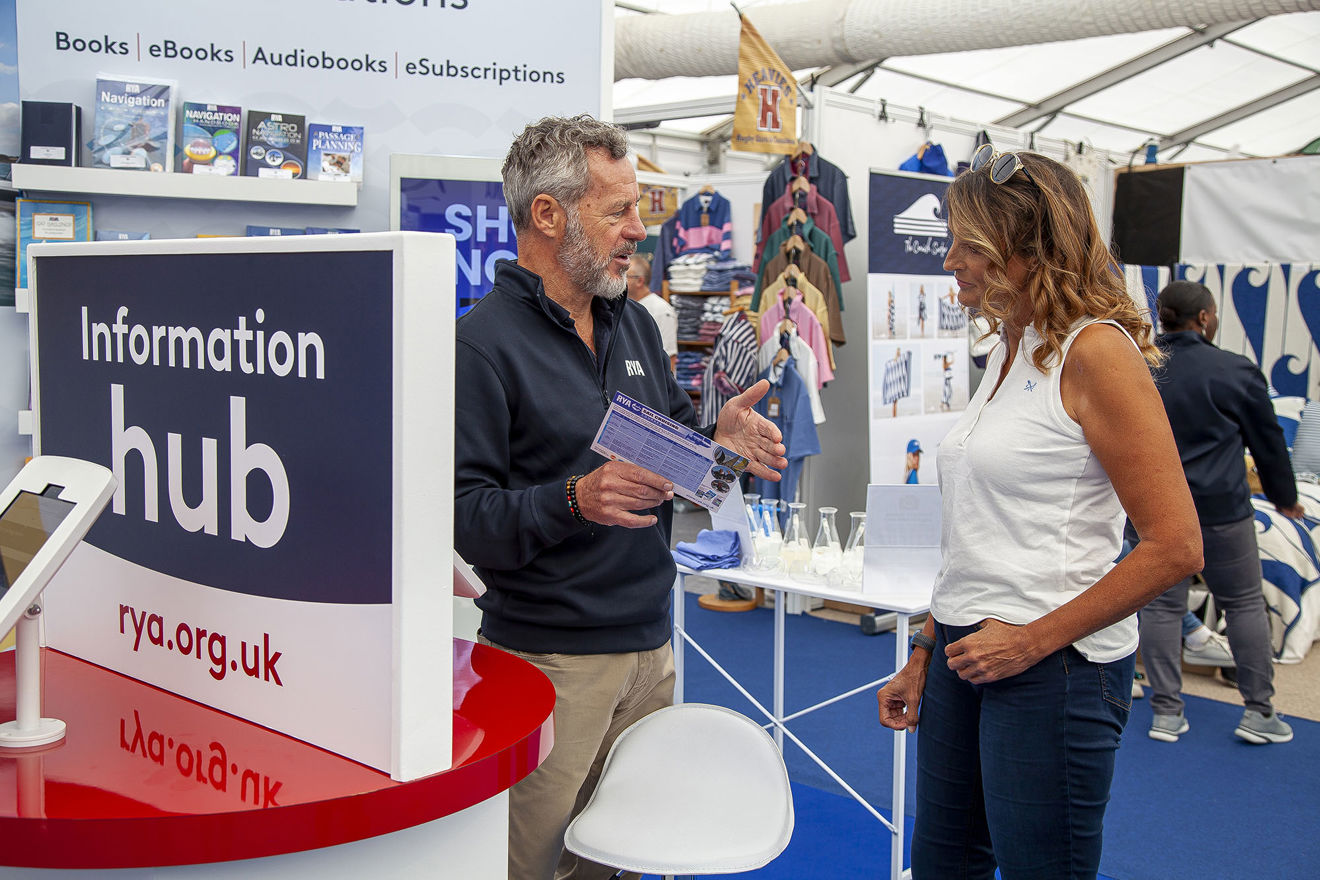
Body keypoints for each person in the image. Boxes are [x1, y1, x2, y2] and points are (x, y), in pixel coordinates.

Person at [453, 114, 787, 880]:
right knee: (536, 864)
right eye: (619, 211)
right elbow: (465, 519)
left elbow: (668, 457)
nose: (641, 229)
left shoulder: (634, 324)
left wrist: (718, 448)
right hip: (550, 664)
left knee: (630, 860)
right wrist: (574, 499)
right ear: (549, 214)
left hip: (652, 651)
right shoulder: (482, 345)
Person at [876, 146, 1203, 880]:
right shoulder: (1012, 345)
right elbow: (981, 535)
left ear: (1025, 247)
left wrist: (1031, 642)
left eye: (968, 243)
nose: (950, 259)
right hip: (965, 653)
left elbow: (1176, 546)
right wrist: (927, 648)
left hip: (1055, 668)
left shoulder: (1097, 353)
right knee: (943, 866)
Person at [1134, 279, 1302, 745]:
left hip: (1155, 512)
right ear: (1205, 317)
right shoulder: (1235, 370)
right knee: (1245, 602)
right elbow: (1268, 445)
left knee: (1163, 608)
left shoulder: (1138, 369)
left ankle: (1166, 713)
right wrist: (1285, 498)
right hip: (1223, 510)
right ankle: (1259, 712)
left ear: (1161, 316)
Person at [625, 253, 678, 373]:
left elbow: (669, 358)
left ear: (640, 281)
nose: (621, 279)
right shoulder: (624, 307)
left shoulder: (661, 311)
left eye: (626, 276)